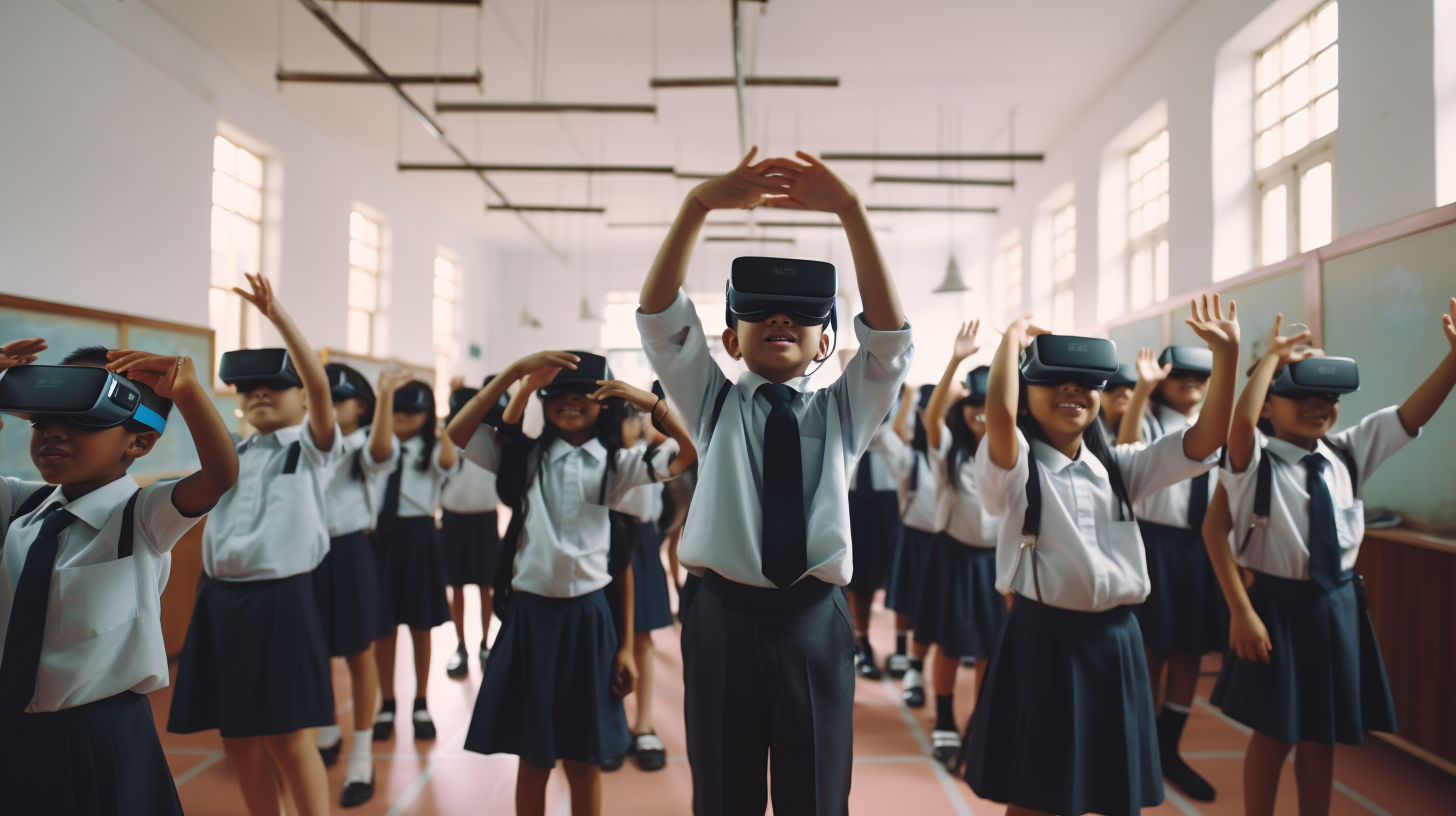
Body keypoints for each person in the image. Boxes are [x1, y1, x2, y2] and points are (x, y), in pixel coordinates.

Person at [637, 148, 913, 815]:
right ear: (732, 340)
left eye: (802, 314)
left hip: (812, 620)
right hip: (722, 617)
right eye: (761, 311)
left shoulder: (844, 414)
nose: (782, 318)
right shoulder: (712, 404)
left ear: (826, 345)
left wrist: (850, 211)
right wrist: (698, 204)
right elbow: (661, 318)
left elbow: (888, 342)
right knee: (724, 794)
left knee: (815, 794)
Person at [963, 296, 1239, 816]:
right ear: (1027, 396)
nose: (1073, 390)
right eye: (1053, 380)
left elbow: (1205, 441)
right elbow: (999, 412)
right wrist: (1012, 337)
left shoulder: (1120, 467)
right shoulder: (1016, 467)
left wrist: (1227, 358)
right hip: (1045, 642)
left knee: (1115, 793)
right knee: (1038, 795)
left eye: (1086, 382)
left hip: (1117, 642)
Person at [1205, 304, 1456, 816]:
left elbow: (1410, 416)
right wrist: (1241, 610)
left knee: (1323, 736)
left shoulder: (1345, 454)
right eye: (1299, 392)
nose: (1319, 404)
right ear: (1269, 405)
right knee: (1274, 735)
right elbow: (1241, 426)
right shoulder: (1252, 463)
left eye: (1329, 394)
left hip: (1337, 605)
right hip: (1277, 607)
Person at [448, 351, 697, 816]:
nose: (570, 400)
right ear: (543, 401)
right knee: (533, 757)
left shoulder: (617, 465)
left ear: (603, 403)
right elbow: (458, 432)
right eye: (558, 392)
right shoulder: (522, 459)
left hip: (588, 621)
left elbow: (688, 453)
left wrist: (647, 403)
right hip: (530, 620)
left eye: (583, 393)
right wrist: (514, 376)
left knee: (584, 759)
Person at [0, 340, 237, 816]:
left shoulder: (143, 517)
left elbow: (220, 474)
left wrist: (188, 393)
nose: (53, 435)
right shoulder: (19, 506)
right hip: (15, 734)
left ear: (141, 442)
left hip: (102, 735)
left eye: (84, 423)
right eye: (42, 422)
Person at [166, 273, 340, 816]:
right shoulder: (233, 453)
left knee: (289, 738)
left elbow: (320, 390)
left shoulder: (311, 448)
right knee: (237, 739)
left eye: (273, 385)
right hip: (219, 601)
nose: (258, 393)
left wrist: (278, 317)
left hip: (281, 600)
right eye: (247, 388)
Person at [1114, 344, 1224, 802]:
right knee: (1152, 650)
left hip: (1200, 547)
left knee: (1189, 650)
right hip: (1156, 542)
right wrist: (1142, 387)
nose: (1192, 381)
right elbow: (1125, 444)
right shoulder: (1155, 421)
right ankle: (1138, 750)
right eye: (1180, 374)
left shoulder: (1214, 426)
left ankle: (1168, 748)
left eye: (1202, 375)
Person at [915, 323, 1003, 767]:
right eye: (973, 407)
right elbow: (931, 416)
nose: (981, 414)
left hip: (994, 563)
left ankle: (982, 721)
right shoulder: (949, 448)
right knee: (951, 644)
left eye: (990, 406)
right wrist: (956, 360)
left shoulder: (1011, 453)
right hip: (953, 557)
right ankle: (945, 719)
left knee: (990, 647)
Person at [313, 362, 398, 807]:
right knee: (316, 648)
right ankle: (326, 726)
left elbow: (381, 452)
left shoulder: (367, 439)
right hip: (305, 554)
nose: (322, 405)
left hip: (348, 551)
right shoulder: (306, 442)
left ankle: (362, 753)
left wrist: (386, 397)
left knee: (358, 653)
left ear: (360, 407)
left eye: (334, 398)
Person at [371, 378, 459, 743]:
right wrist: (383, 398)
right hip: (381, 539)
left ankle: (421, 700)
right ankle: (387, 701)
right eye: (397, 410)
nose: (405, 417)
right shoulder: (376, 445)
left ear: (428, 414)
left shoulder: (436, 447)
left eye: (415, 410)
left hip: (420, 537)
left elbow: (449, 460)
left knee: (421, 625)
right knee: (383, 627)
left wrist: (447, 420)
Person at [604, 384, 677, 773]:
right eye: (628, 416)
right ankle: (610, 723)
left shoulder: (654, 454)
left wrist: (659, 415)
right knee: (606, 639)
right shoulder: (606, 456)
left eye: (639, 415)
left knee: (643, 637)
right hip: (606, 541)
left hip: (642, 542)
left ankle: (643, 723)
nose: (635, 422)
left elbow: (687, 443)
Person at [870, 382, 943, 707]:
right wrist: (908, 397)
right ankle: (902, 653)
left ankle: (917, 661)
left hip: (944, 542)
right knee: (905, 599)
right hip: (914, 535)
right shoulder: (909, 456)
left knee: (933, 605)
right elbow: (889, 433)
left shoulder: (953, 454)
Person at [441, 376, 504, 679]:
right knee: (455, 586)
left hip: (484, 519)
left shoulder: (491, 434)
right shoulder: (446, 433)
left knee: (485, 586)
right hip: (453, 519)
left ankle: (485, 643)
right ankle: (460, 646)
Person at [846, 403, 903, 680]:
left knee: (890, 576)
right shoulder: (849, 396)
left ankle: (900, 648)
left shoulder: (904, 405)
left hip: (888, 498)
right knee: (857, 577)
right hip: (852, 497)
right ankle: (860, 641)